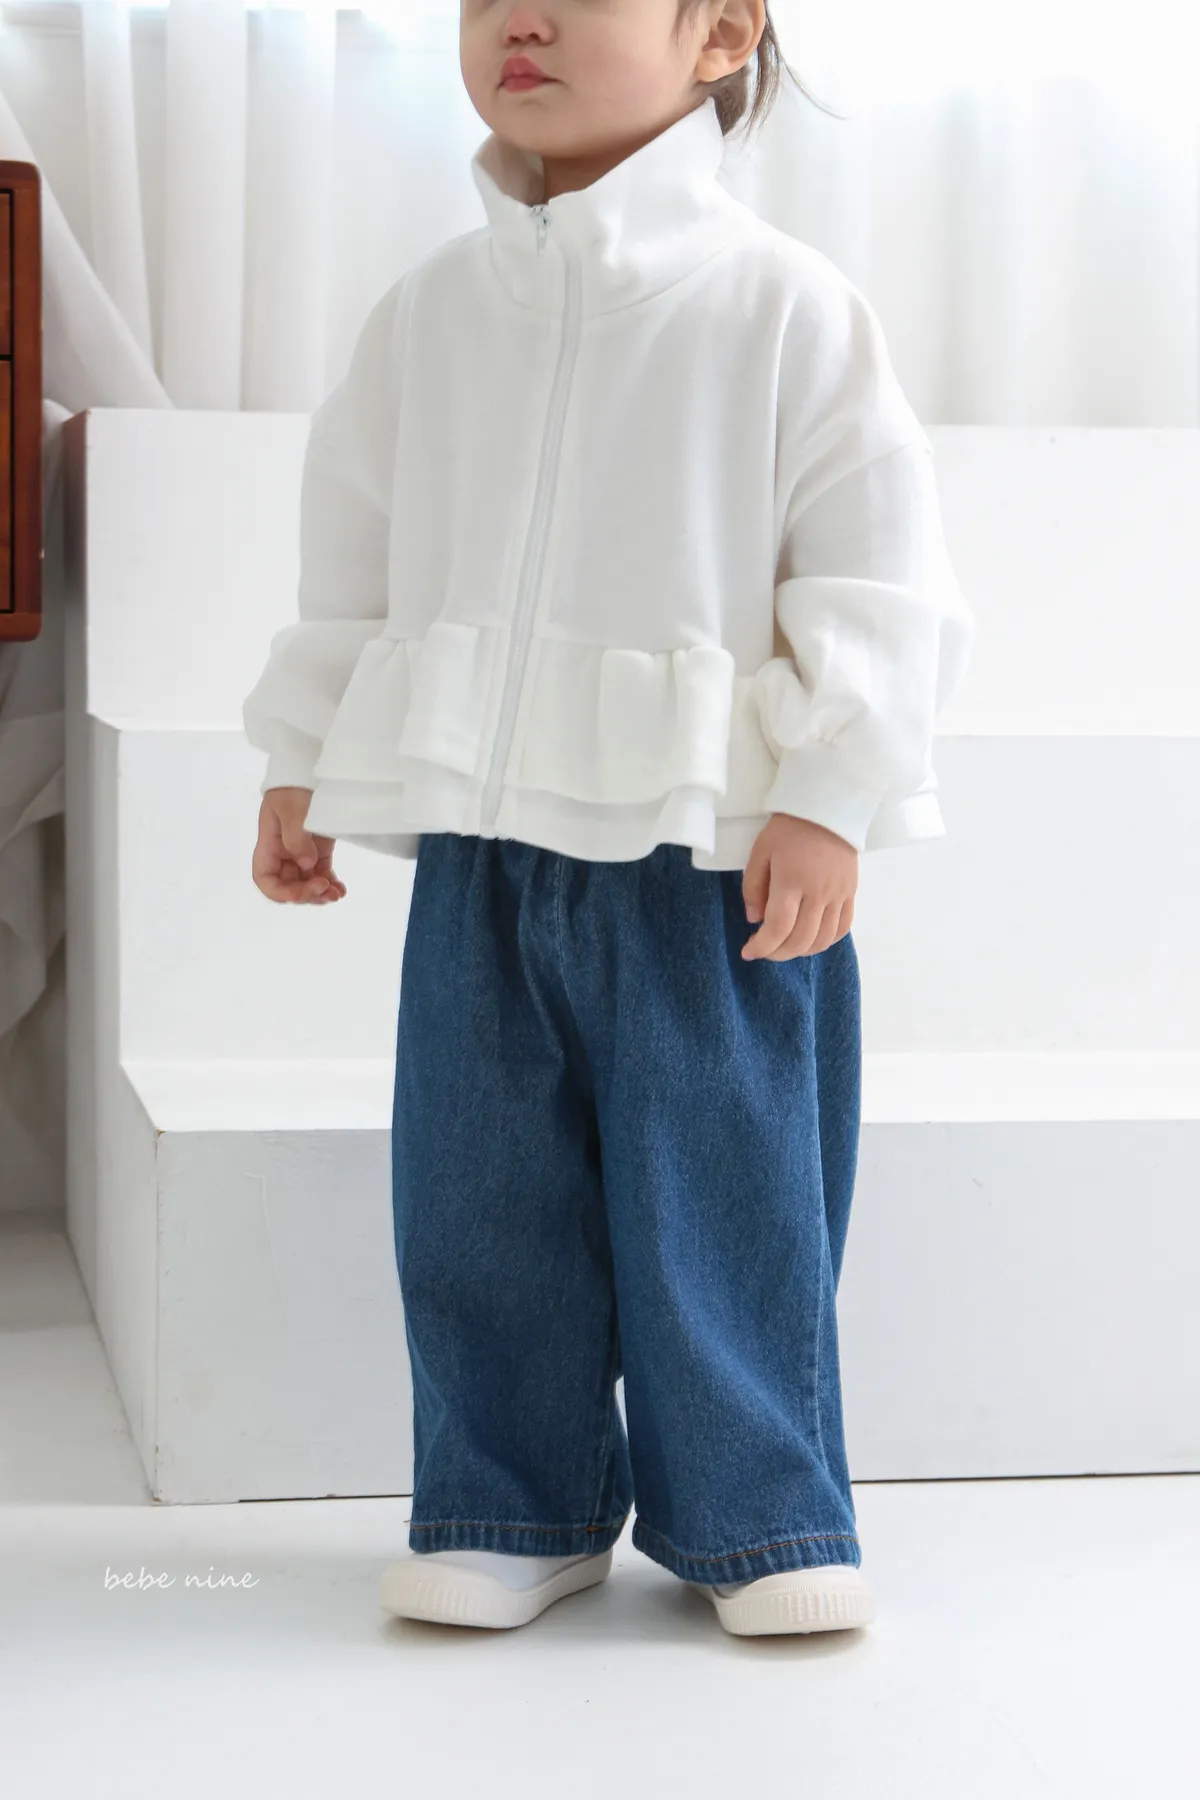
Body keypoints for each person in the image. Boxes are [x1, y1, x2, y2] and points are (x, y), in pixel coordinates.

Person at [242, 0, 975, 1639]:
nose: (520, 18)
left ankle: (761, 1515)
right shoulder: (430, 316)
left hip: (706, 862)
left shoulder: (784, 307)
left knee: (727, 1202)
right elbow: (350, 559)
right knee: (478, 1195)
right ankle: (512, 1505)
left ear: (720, 34)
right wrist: (305, 754)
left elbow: (875, 568)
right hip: (484, 851)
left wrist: (829, 791)